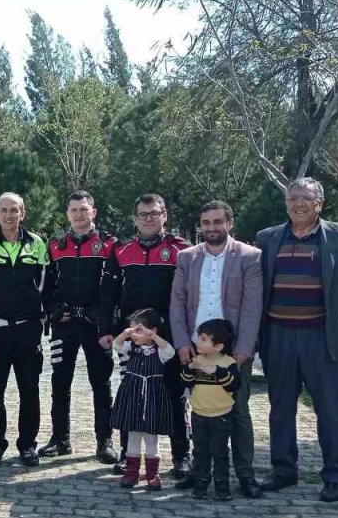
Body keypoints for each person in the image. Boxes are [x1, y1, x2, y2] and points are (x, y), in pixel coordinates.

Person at [255, 177, 338, 503]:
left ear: (319, 203)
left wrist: (334, 316)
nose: (298, 204)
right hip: (279, 337)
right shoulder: (267, 238)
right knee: (280, 408)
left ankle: (335, 476)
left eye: (305, 198)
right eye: (293, 198)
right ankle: (283, 470)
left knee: (330, 408)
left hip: (324, 337)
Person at [169, 200, 265, 499]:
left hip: (231, 350)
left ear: (229, 223)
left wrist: (244, 350)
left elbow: (252, 308)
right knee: (196, 410)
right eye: (206, 223)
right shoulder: (187, 257)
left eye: (217, 222)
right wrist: (183, 342)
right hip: (197, 348)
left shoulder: (249, 257)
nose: (211, 228)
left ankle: (245, 474)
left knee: (237, 410)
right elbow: (178, 303)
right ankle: (199, 473)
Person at [105, 194, 190, 478]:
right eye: (144, 214)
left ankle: (181, 455)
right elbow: (110, 295)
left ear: (165, 215)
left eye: (155, 213)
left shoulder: (181, 249)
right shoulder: (121, 250)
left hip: (169, 336)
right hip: (135, 336)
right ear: (135, 218)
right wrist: (108, 329)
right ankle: (126, 455)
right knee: (131, 393)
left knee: (175, 395)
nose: (149, 219)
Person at [0, 193, 51, 469]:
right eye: (3, 210)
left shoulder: (38, 245)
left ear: (23, 213)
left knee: (30, 390)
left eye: (14, 210)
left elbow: (45, 286)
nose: (8, 215)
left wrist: (44, 319)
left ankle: (28, 445)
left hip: (28, 330)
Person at [41, 191, 118, 465]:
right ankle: (60, 439)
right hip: (64, 325)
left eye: (83, 209)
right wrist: (52, 309)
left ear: (93, 212)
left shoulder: (109, 244)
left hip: (96, 326)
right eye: (73, 210)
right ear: (67, 213)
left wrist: (107, 319)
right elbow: (46, 288)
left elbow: (116, 288)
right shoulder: (56, 246)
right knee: (59, 382)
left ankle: (104, 440)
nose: (78, 214)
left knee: (101, 383)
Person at [110, 309, 176, 491]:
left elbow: (170, 351)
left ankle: (152, 474)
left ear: (152, 331)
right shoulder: (131, 348)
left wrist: (154, 337)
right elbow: (116, 345)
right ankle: (131, 472)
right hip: (133, 395)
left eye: (138, 330)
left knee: (151, 437)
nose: (134, 334)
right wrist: (125, 334)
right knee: (133, 435)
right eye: (132, 330)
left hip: (152, 397)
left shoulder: (159, 351)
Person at [180, 319, 244, 501]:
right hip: (199, 413)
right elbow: (185, 381)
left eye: (203, 339)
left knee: (219, 451)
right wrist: (189, 368)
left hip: (221, 415)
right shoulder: (197, 360)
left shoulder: (228, 363)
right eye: (199, 338)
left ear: (218, 346)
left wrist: (216, 371)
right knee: (200, 451)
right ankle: (200, 483)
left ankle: (222, 485)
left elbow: (233, 385)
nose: (198, 342)